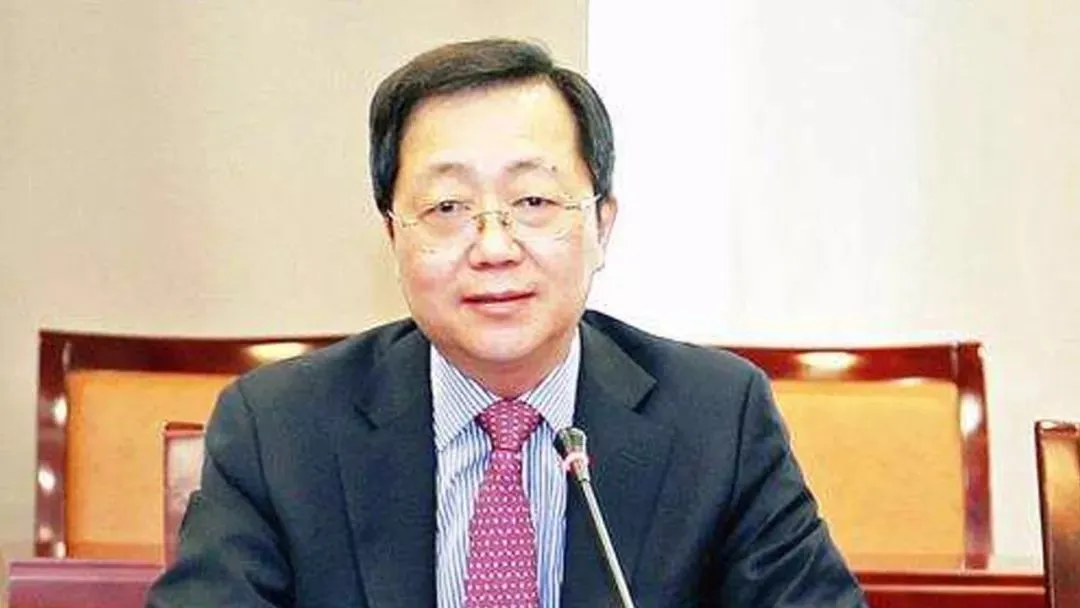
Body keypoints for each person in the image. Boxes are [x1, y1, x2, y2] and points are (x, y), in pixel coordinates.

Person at [147, 38, 866, 607]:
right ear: (394, 236)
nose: (494, 247)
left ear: (601, 226)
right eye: (448, 208)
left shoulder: (716, 418)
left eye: (533, 202)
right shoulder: (281, 429)